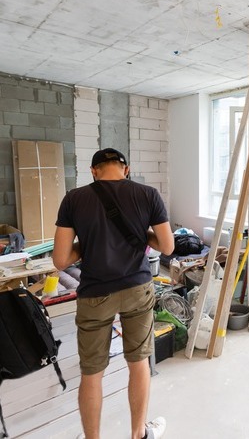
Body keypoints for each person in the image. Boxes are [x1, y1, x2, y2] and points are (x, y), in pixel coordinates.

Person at [53, 148, 174, 439]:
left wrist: (88, 245)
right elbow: (167, 247)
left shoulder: (74, 199)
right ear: (126, 169)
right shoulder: (148, 195)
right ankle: (138, 434)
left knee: (92, 373)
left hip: (95, 293)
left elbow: (60, 260)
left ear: (94, 171)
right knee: (138, 362)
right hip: (137, 288)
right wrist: (142, 235)